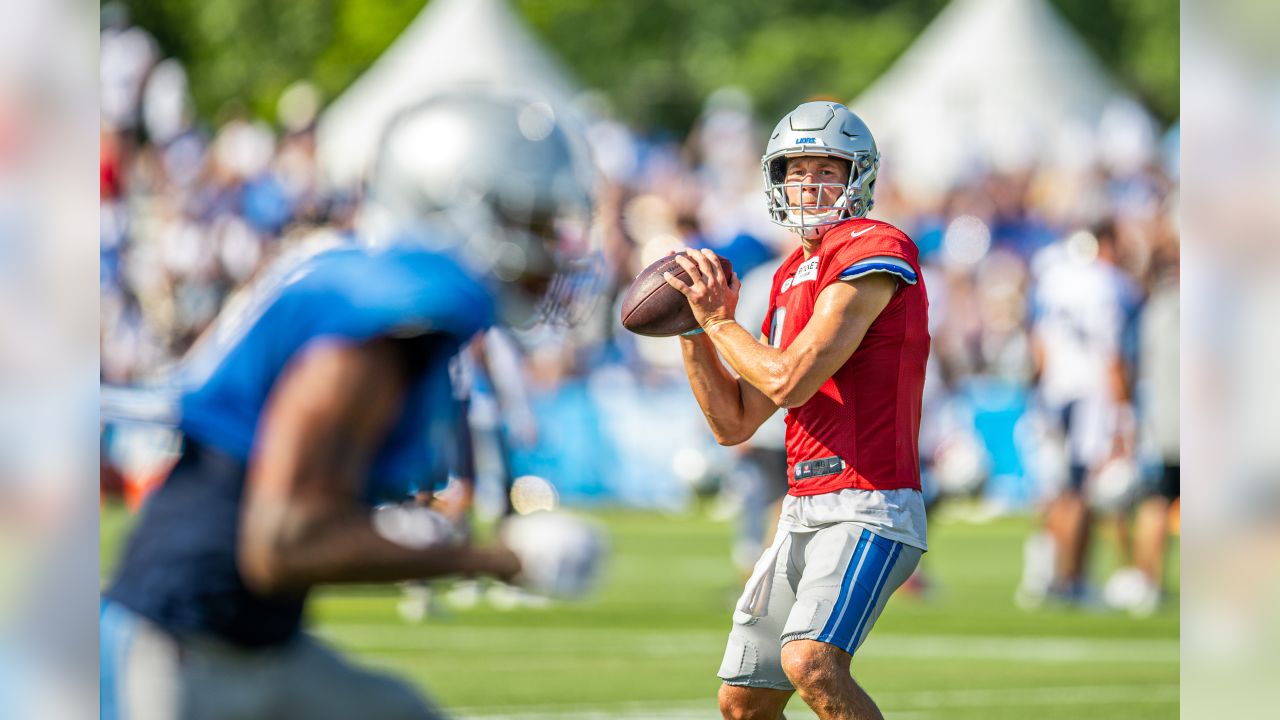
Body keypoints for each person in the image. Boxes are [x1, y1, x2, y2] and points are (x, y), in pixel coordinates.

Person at [99, 92, 598, 720]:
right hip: (181, 647)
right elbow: (282, 544)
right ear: (458, 204)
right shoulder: (382, 324)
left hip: (250, 642)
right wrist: (503, 560)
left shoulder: (380, 296)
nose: (552, 250)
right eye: (534, 221)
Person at [665, 101, 929, 720]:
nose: (808, 183)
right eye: (795, 169)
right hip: (802, 504)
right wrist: (692, 333)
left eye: (826, 169)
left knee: (810, 661)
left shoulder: (876, 245)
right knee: (743, 702)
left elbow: (791, 381)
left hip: (871, 499)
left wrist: (718, 320)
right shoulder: (788, 274)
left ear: (857, 176)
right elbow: (733, 422)